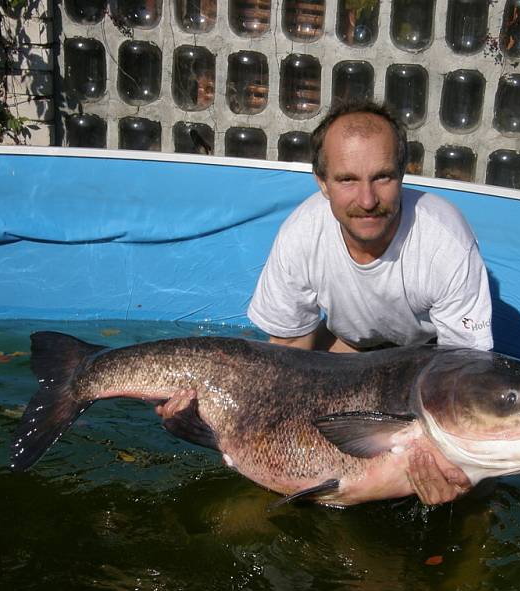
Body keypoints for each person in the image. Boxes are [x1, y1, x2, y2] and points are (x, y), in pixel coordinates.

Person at [160, 100, 494, 505]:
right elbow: (281, 360)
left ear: (404, 174)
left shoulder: (445, 241)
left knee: (464, 480)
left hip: (425, 360)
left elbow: (465, 372)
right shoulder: (302, 235)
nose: (367, 200)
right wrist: (217, 425)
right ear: (322, 182)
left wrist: (455, 469)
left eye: (382, 177)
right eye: (347, 180)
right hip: (344, 351)